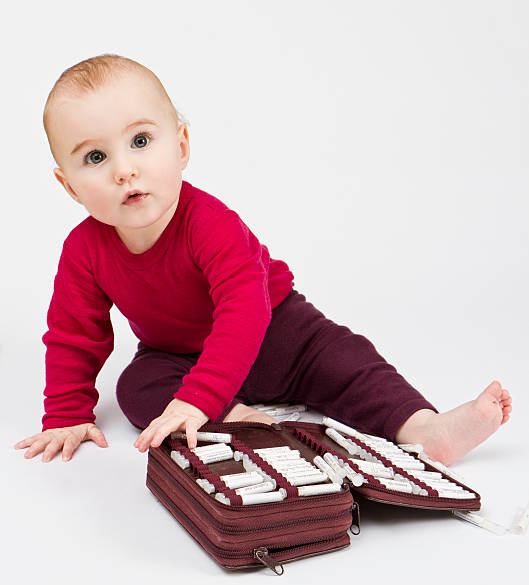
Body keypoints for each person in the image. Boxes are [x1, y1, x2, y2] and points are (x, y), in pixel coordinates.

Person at [14, 54, 512, 466]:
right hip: (180, 354)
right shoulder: (84, 250)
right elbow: (74, 332)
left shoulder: (210, 222)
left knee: (346, 360)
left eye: (141, 142)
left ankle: (425, 427)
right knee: (136, 388)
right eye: (95, 158)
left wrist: (198, 397)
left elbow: (243, 308)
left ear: (182, 146)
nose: (125, 170)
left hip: (277, 330)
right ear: (68, 185)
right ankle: (235, 417)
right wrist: (65, 413)